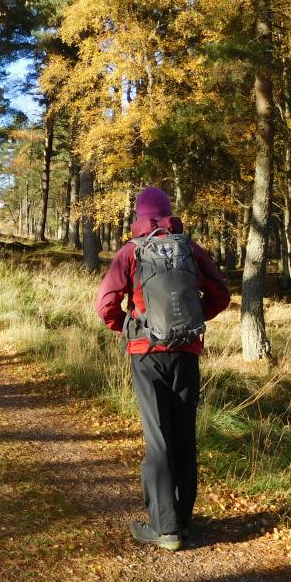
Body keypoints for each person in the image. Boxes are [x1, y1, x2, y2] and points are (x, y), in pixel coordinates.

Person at [95, 186, 231, 551]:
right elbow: (222, 294)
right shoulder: (190, 249)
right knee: (184, 433)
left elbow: (105, 303)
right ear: (169, 213)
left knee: (158, 440)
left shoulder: (131, 252)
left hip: (146, 353)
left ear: (139, 216)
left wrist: (126, 326)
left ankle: (164, 527)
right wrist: (194, 320)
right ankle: (184, 522)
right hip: (187, 352)